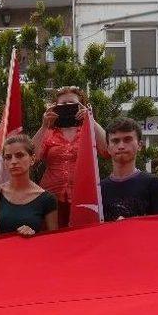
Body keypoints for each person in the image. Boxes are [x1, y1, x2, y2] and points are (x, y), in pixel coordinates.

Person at [32, 86, 108, 227]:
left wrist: (91, 120)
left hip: (83, 195)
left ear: (81, 106)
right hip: (50, 197)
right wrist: (43, 126)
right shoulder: (48, 131)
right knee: (51, 240)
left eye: (72, 104)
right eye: (62, 105)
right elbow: (31, 158)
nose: (67, 108)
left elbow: (107, 151)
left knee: (81, 238)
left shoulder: (88, 129)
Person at [0, 134, 58, 238]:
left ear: (32, 159)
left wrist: (34, 236)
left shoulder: (47, 199)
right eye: (8, 157)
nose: (14, 161)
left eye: (19, 155)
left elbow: (53, 239)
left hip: (31, 253)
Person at [100, 118, 158, 221]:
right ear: (108, 148)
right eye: (115, 141)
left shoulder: (154, 184)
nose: (121, 146)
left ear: (139, 145)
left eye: (127, 140)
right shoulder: (99, 189)